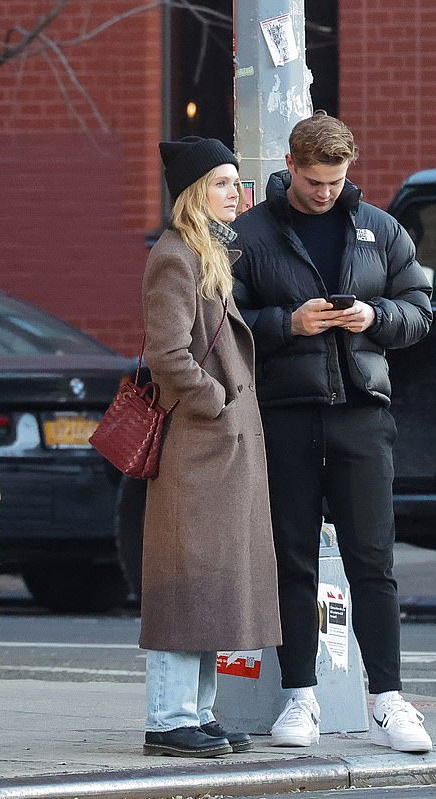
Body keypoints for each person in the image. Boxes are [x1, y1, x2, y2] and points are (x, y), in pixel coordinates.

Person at [232, 111, 434, 752]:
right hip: (286, 414)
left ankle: (388, 700)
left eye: (336, 180)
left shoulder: (380, 228)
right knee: (290, 559)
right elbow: (227, 320)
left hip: (361, 413)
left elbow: (421, 312)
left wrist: (374, 314)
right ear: (289, 166)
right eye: (314, 180)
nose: (325, 192)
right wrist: (288, 325)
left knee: (373, 561)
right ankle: (299, 699)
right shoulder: (251, 233)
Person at [139, 137, 282, 758]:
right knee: (185, 582)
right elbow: (168, 354)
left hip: (216, 449)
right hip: (196, 447)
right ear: (196, 192)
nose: (238, 195)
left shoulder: (206, 254)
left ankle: (197, 713)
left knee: (210, 584)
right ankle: (170, 719)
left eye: (238, 182)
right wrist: (214, 404)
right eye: (225, 183)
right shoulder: (175, 257)